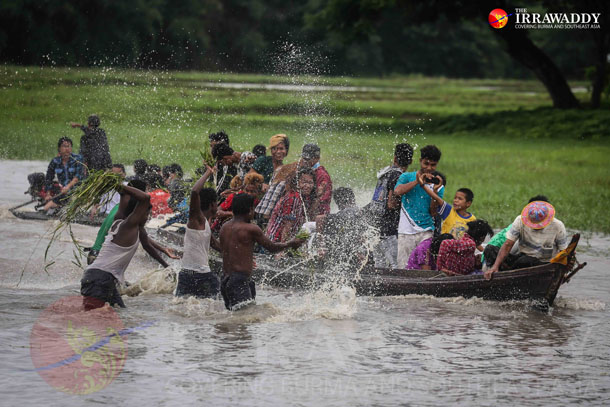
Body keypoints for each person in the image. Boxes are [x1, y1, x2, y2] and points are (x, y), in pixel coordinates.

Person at [81, 183, 174, 309]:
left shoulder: (120, 219)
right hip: (100, 279)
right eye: (147, 214)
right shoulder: (127, 225)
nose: (147, 218)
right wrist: (115, 183)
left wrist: (167, 266)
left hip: (104, 279)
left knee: (120, 314)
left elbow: (146, 244)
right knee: (95, 318)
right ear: (138, 213)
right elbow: (145, 198)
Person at [219, 194, 304, 310]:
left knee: (233, 319)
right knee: (244, 318)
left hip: (225, 279)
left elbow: (226, 250)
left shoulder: (225, 227)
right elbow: (272, 247)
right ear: (249, 210)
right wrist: (290, 243)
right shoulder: (251, 229)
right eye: (254, 208)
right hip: (239, 280)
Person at [86, 179, 179, 266]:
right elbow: (145, 242)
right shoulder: (127, 215)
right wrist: (166, 265)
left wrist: (163, 249)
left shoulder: (119, 208)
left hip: (95, 254)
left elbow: (142, 236)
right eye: (145, 191)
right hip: (101, 258)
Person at [484, 199, 568, 280]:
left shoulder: (558, 226)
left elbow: (563, 252)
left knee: (524, 261)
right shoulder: (520, 220)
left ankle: (510, 273)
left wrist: (563, 272)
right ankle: (504, 273)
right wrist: (495, 266)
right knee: (490, 249)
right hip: (522, 258)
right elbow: (508, 245)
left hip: (543, 264)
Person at [175, 166, 222, 298]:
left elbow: (216, 245)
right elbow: (195, 191)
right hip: (201, 274)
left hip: (186, 274)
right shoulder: (197, 218)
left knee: (181, 306)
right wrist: (209, 172)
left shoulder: (205, 223)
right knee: (216, 306)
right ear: (213, 204)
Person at [394, 145, 444, 268]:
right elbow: (397, 191)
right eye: (426, 163)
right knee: (403, 266)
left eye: (433, 165)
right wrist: (417, 181)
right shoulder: (406, 177)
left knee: (424, 266)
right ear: (420, 161)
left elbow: (433, 212)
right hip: (406, 231)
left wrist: (435, 192)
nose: (429, 168)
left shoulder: (438, 185)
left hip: (426, 232)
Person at [369, 143, 413, 269]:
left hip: (375, 225)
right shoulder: (398, 177)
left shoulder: (385, 173)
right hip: (388, 228)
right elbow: (391, 203)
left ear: (394, 158)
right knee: (397, 265)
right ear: (411, 161)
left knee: (379, 265)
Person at [265, 168, 316, 243]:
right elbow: (287, 226)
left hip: (285, 241)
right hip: (275, 242)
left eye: (310, 183)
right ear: (297, 183)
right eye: (304, 182)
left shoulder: (304, 198)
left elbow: (306, 222)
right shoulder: (293, 198)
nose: (307, 186)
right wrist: (283, 249)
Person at [42, 137, 84, 213]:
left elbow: (78, 177)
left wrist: (68, 187)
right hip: (62, 193)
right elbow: (48, 178)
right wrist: (48, 194)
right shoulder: (55, 161)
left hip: (77, 191)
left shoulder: (78, 159)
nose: (67, 149)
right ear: (59, 148)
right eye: (64, 146)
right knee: (46, 209)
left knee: (49, 208)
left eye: (69, 146)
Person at [300, 144, 332, 217]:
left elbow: (321, 200)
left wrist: (309, 216)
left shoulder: (322, 175)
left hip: (319, 216)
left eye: (307, 159)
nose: (304, 161)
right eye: (303, 158)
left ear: (317, 158)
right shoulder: (306, 171)